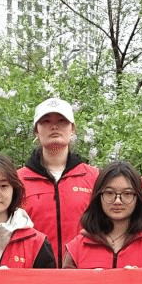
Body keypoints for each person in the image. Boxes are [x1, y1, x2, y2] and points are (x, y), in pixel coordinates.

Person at [19, 97, 98, 262]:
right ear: (36, 130)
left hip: (83, 270)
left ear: (72, 128)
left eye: (62, 121)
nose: (54, 126)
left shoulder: (95, 178)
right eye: (46, 121)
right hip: (34, 272)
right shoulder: (17, 181)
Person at [62, 162, 142, 269]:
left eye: (127, 194)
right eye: (109, 193)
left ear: (138, 198)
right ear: (98, 197)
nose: (117, 201)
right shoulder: (76, 249)